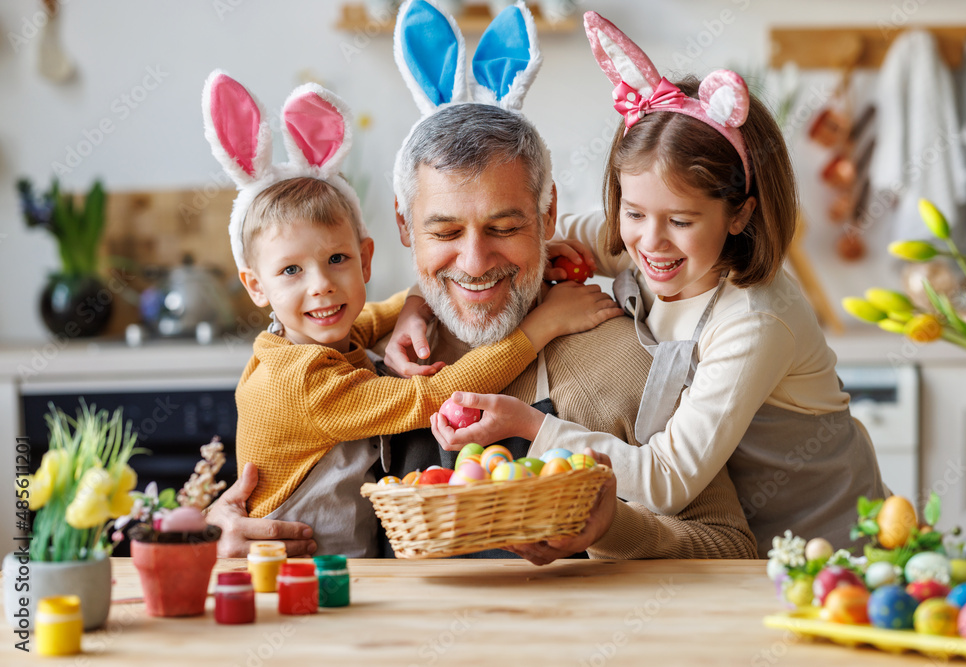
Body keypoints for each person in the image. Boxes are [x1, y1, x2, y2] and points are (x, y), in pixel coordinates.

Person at [207, 0, 758, 562]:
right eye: (444, 231)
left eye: (504, 226)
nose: (473, 262)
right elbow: (249, 496)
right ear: (403, 224)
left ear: (548, 218)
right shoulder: (347, 351)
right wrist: (212, 531)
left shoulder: (619, 359)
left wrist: (615, 528)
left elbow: (734, 549)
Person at [425, 11, 887, 557]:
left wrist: (529, 425)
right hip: (738, 548)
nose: (651, 243)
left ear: (739, 215)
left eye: (682, 221)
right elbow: (531, 245)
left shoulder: (753, 320)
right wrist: (415, 304)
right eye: (634, 212)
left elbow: (667, 479)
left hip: (828, 548)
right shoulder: (638, 242)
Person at [202, 72, 621, 556]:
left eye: (504, 227)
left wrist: (418, 303)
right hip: (311, 582)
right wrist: (543, 325)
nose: (321, 287)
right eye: (444, 234)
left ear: (365, 258)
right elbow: (434, 394)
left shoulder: (333, 335)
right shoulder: (301, 378)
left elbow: (378, 312)